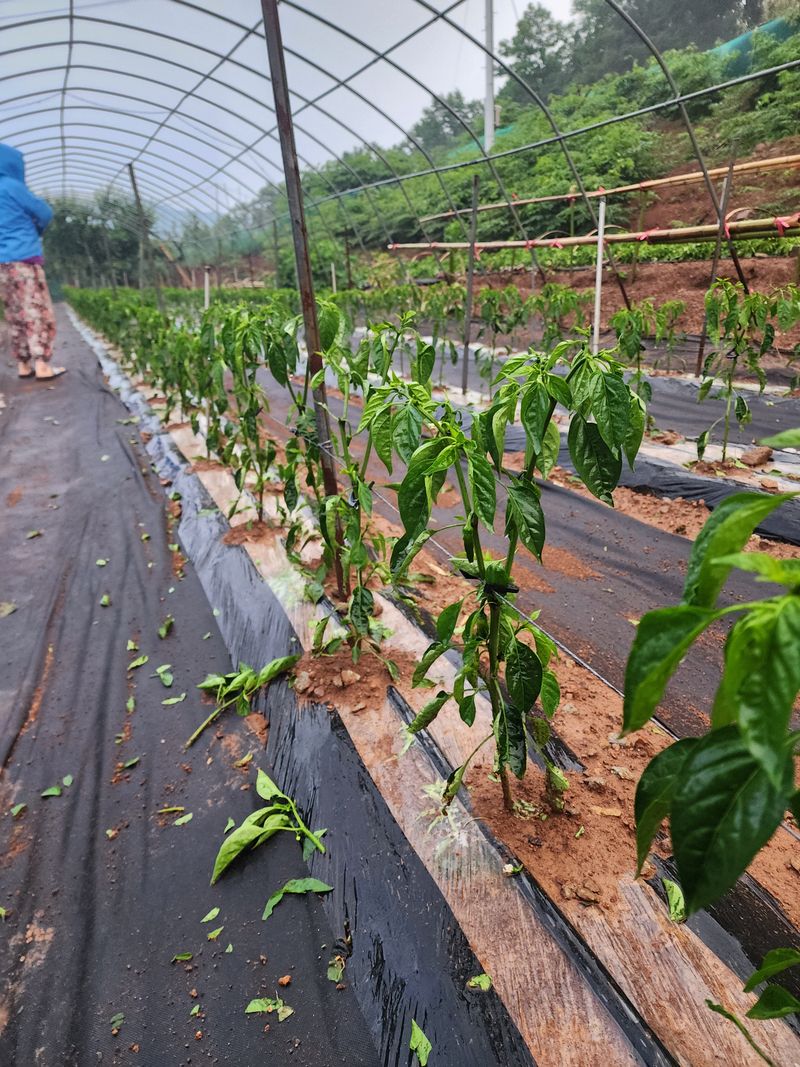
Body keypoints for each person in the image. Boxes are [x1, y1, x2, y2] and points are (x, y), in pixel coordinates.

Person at [0, 143, 65, 380]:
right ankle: (42, 364)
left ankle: (23, 364)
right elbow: (44, 212)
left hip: (2, 264)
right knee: (35, 309)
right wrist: (36, 228)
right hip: (23, 260)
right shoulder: (11, 186)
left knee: (14, 311)